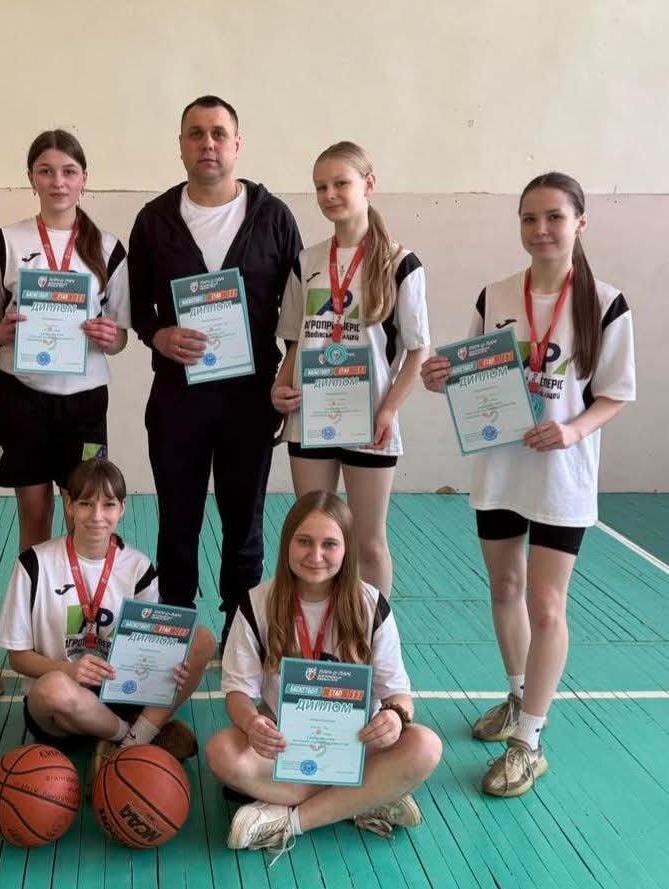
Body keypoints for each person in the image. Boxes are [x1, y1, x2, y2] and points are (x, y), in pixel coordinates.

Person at [421, 172, 635, 796]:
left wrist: (573, 430)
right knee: (504, 587)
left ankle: (529, 741)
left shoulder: (606, 303)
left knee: (546, 605)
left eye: (554, 217)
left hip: (561, 478)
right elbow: (471, 374)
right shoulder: (495, 295)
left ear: (580, 223)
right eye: (529, 218)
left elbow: (615, 393)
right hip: (500, 468)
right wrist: (441, 376)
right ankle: (517, 697)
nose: (541, 230)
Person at [128, 95, 302, 647]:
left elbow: (299, 312)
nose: (208, 143)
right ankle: (173, 633)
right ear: (181, 145)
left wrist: (286, 377)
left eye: (218, 133)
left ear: (237, 144)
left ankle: (240, 634)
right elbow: (137, 308)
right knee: (176, 520)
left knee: (244, 524)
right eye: (196, 133)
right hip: (177, 398)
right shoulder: (154, 220)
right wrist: (159, 335)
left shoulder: (274, 218)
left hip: (250, 400)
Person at [205, 491, 442, 854]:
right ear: (287, 543)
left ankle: (288, 819)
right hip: (283, 745)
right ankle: (366, 797)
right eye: (304, 541)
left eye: (329, 544)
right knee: (221, 751)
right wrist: (252, 724)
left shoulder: (370, 604)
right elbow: (238, 692)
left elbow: (398, 694)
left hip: (357, 743)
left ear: (347, 549)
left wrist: (395, 717)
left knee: (425, 746)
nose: (315, 556)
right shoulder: (257, 602)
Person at [0, 458, 216, 783]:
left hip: (123, 693)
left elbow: (150, 650)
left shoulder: (137, 567)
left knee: (202, 640)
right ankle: (133, 739)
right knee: (52, 690)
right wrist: (69, 670)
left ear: (122, 508)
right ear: (69, 505)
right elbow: (18, 658)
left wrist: (168, 665)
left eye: (108, 504)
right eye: (86, 503)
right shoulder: (33, 564)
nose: (97, 516)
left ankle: (125, 740)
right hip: (63, 707)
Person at [271, 142, 430, 597]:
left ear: (368, 184)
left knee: (367, 542)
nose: (330, 195)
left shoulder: (400, 263)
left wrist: (388, 410)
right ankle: (315, 629)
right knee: (311, 537)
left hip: (370, 419)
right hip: (310, 415)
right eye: (321, 187)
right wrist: (280, 385)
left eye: (341, 183)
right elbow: (296, 339)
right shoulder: (307, 261)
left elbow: (417, 351)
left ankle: (373, 632)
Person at [0, 129, 131, 551]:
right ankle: (34, 591)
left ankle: (79, 588)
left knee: (83, 513)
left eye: (68, 171)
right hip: (20, 393)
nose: (58, 182)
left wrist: (110, 336)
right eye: (46, 171)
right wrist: (1, 331)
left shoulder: (109, 248)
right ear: (31, 178)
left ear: (84, 178)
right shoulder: (5, 242)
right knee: (33, 513)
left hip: (84, 400)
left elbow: (120, 337)